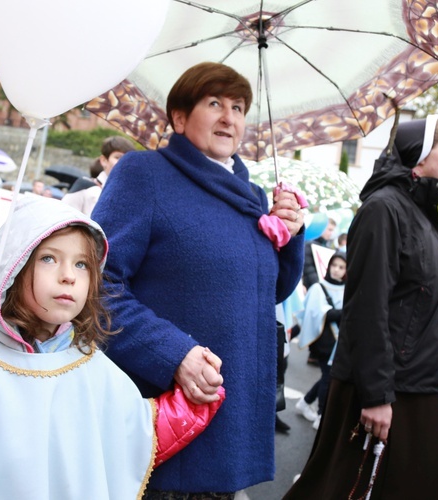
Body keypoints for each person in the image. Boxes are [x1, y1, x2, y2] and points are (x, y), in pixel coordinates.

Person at [0, 196, 225, 499]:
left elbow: (138, 433)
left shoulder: (92, 365)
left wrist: (197, 397)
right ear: (13, 267)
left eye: (82, 264)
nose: (68, 274)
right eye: (49, 258)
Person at [91, 62, 305, 497]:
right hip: (164, 414)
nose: (230, 117)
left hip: (229, 419)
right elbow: (98, 284)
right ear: (180, 117)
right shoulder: (143, 173)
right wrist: (173, 355)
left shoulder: (254, 196)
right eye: (214, 104)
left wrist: (292, 236)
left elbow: (266, 294)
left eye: (239, 107)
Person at [284, 115, 438, 499]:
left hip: (418, 388)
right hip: (385, 392)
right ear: (420, 154)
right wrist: (377, 395)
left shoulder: (424, 212)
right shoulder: (384, 209)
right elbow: (367, 309)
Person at [295, 251, 346, 430]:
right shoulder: (318, 287)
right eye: (334, 265)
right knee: (328, 377)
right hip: (323, 342)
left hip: (339, 343)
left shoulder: (348, 287)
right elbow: (318, 314)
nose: (337, 270)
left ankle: (305, 401)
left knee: (328, 376)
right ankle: (320, 414)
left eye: (341, 267)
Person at [61, 136, 135, 217]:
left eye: (127, 159)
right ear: (104, 160)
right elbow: (62, 218)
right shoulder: (85, 187)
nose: (123, 162)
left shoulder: (130, 195)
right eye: (118, 157)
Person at [301, 218, 337, 289]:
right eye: (329, 229)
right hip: (314, 287)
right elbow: (308, 269)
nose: (331, 233)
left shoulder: (327, 247)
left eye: (332, 230)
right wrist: (320, 287)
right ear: (322, 228)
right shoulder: (309, 245)